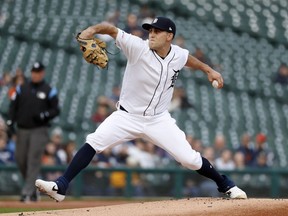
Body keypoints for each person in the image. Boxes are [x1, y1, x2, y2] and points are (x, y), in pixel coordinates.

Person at [35, 16, 247, 201]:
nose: (151, 34)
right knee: (94, 141)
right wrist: (90, 31)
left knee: (189, 159)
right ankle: (61, 186)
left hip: (159, 120)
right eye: (150, 31)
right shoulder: (137, 47)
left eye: (157, 31)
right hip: (127, 116)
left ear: (169, 36)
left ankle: (227, 185)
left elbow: (186, 59)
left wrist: (208, 69)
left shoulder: (178, 54)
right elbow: (111, 29)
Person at [7, 62, 60, 202]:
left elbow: (56, 110)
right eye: (34, 71)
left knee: (33, 161)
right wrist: (10, 120)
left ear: (42, 73)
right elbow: (13, 106)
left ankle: (27, 193)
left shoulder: (49, 90)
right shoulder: (21, 88)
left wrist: (45, 115)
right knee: (20, 159)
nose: (36, 74)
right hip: (22, 129)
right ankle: (34, 189)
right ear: (31, 73)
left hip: (39, 130)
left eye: (38, 71)